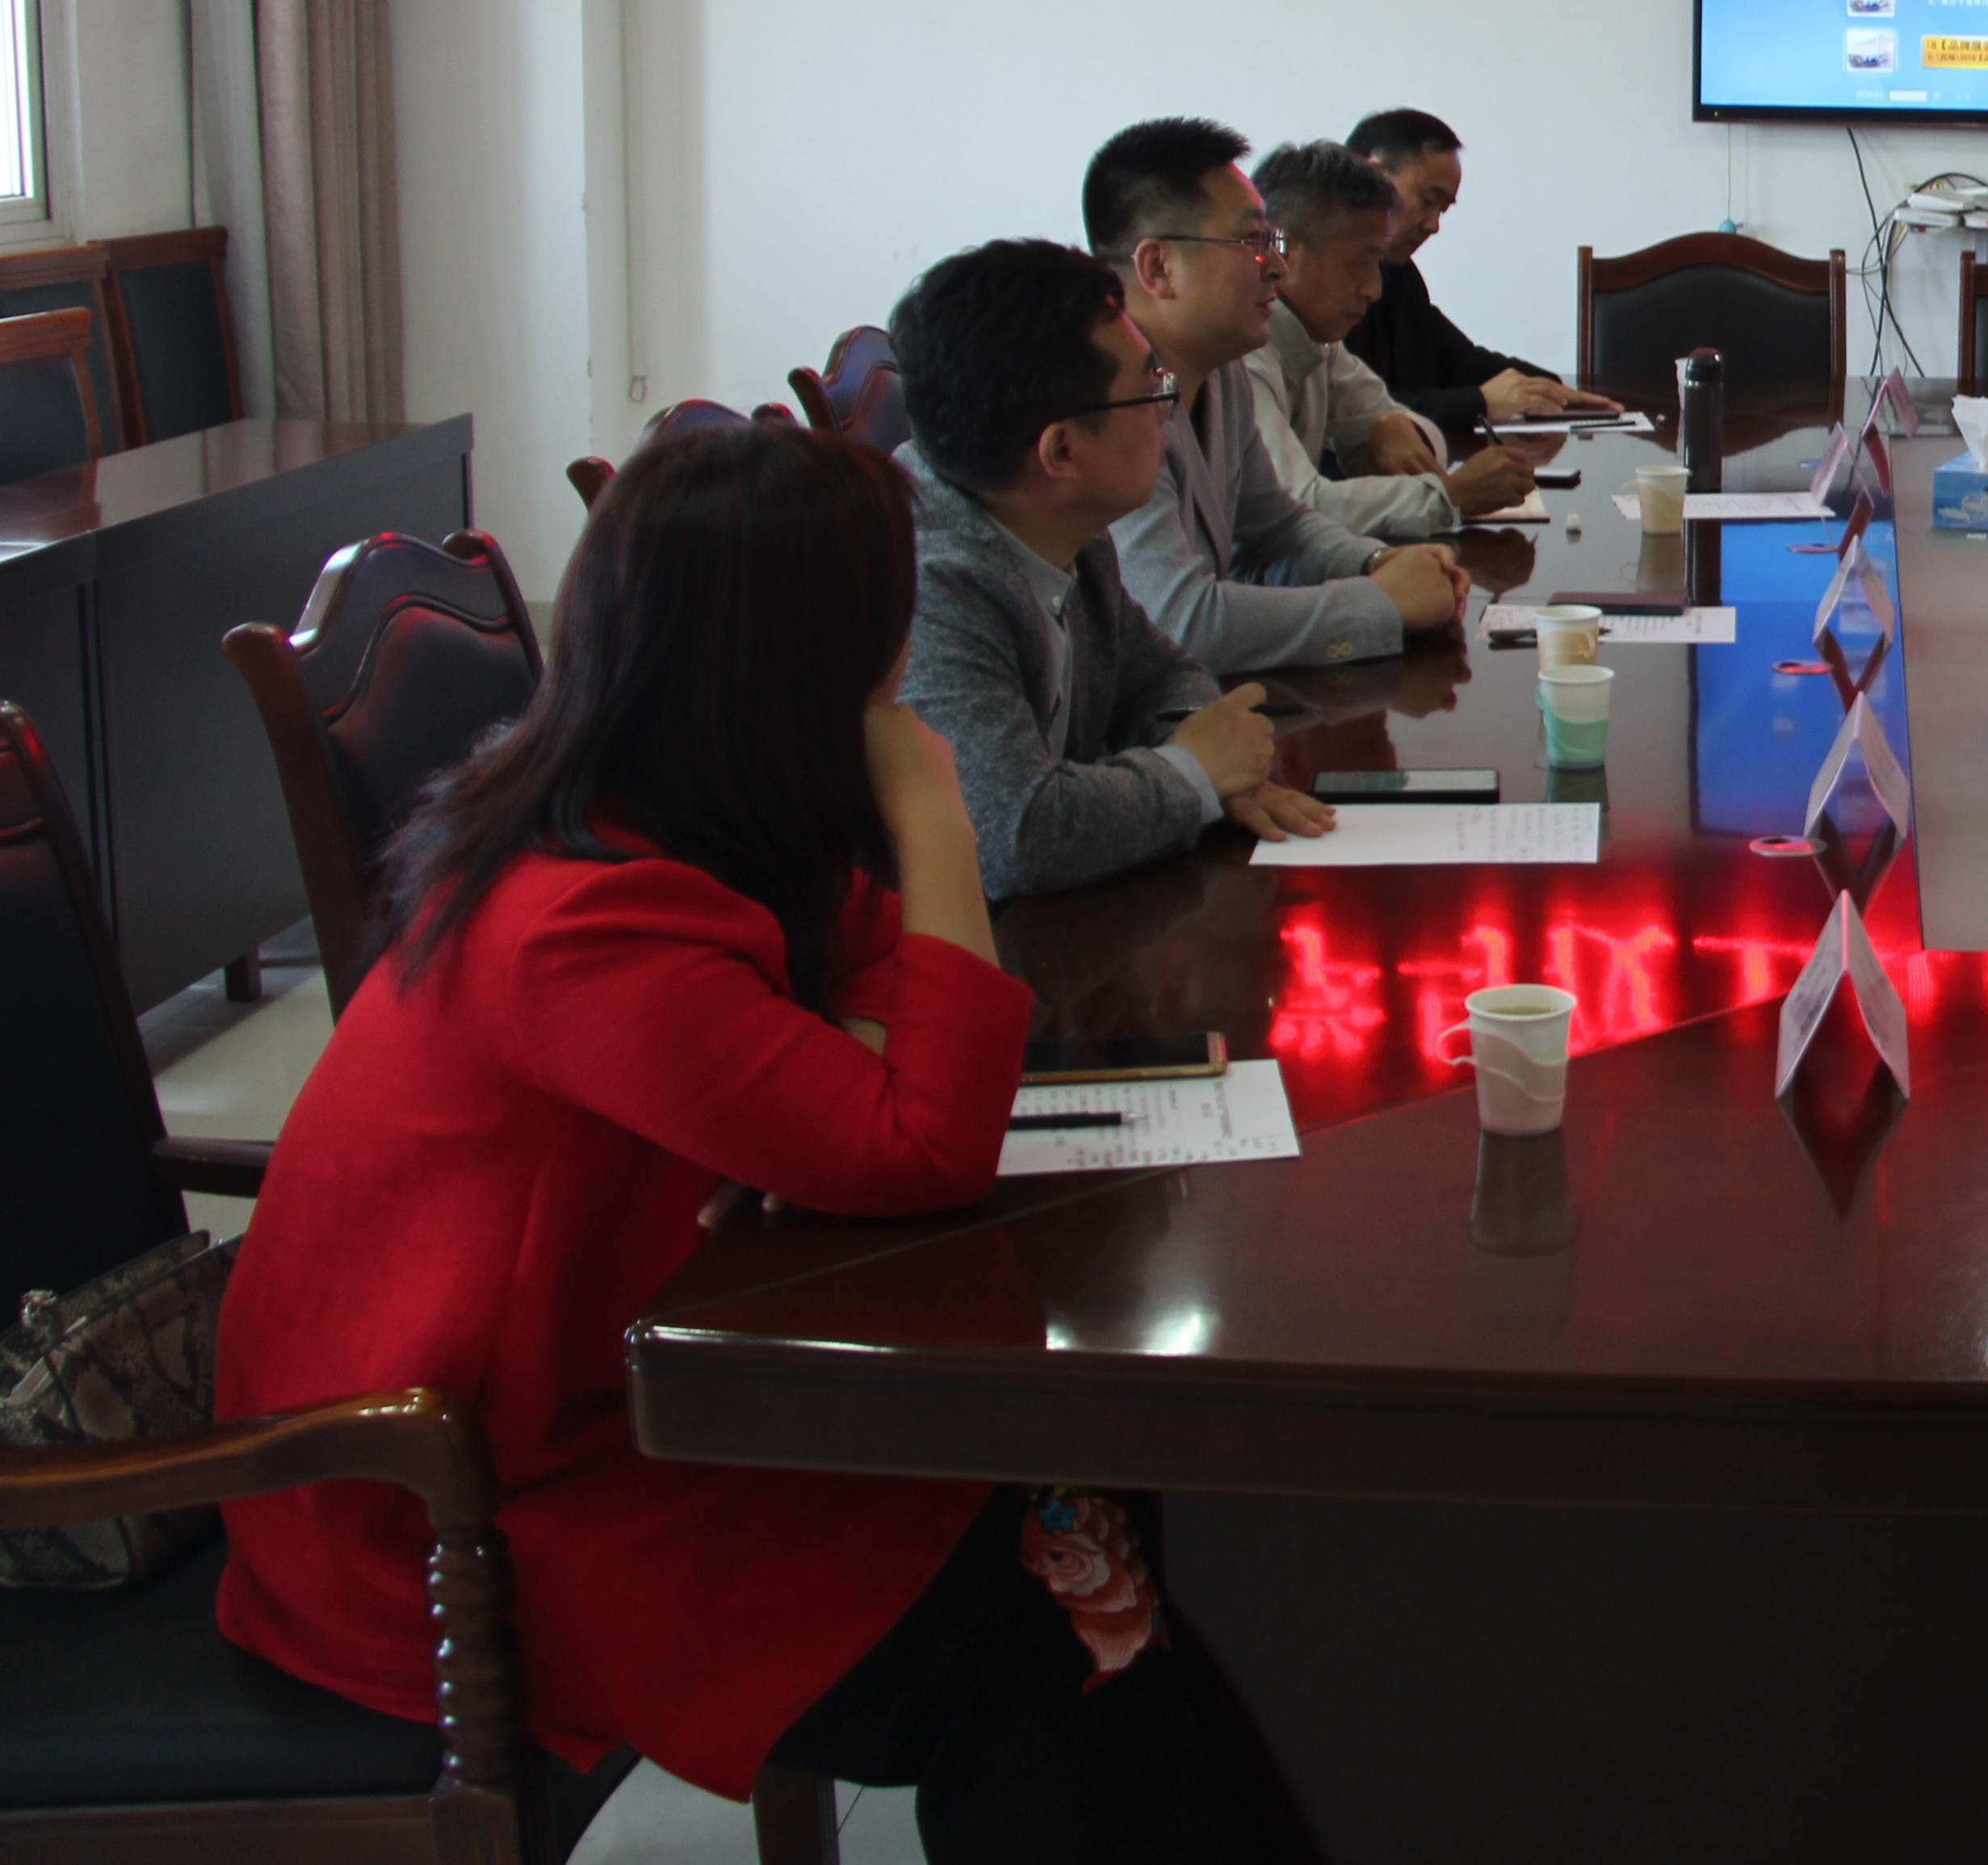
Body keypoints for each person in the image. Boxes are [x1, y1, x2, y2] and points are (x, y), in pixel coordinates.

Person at [212, 422, 1277, 1861]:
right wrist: (928, 801)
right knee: (1043, 1618)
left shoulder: (673, 804)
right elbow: (926, 1141)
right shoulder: (580, 919)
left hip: (616, 1390)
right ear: (806, 659)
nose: (905, 654)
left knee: (1091, 1506)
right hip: (450, 1507)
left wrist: (872, 1039)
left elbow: (889, 989)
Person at [889, 237, 1332, 897]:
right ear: (1062, 452)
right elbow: (1014, 837)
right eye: (1150, 389)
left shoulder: (1063, 522)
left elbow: (1162, 673)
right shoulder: (925, 583)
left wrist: (1218, 765)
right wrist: (1193, 776)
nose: (1169, 412)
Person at [1091, 116, 1468, 675]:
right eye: (1254, 243)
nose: (1277, 266)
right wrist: (1381, 603)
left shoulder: (1219, 373)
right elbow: (1180, 622)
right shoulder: (1103, 402)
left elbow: (1276, 527)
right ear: (1158, 267)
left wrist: (1375, 561)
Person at [1248, 141, 1537, 540]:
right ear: (1285, 250)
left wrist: (1389, 426)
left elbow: (1409, 426)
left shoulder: (1317, 343)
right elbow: (1292, 509)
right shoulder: (1243, 351)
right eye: (1360, 263)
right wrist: (1450, 497)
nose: (1374, 289)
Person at [1341, 107, 1616, 430]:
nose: (1433, 225)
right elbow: (1350, 414)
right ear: (1374, 177)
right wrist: (1480, 402)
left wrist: (1546, 388)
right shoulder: (1319, 279)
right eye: (1428, 200)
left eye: (1443, 210)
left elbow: (1456, 360)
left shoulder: (1399, 273)